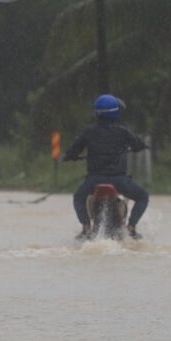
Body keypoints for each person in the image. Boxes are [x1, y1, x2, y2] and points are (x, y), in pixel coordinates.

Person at [66, 94, 149, 239]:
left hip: (94, 181)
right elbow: (137, 144)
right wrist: (140, 146)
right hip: (120, 181)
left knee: (78, 198)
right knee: (143, 196)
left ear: (96, 112)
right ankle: (131, 228)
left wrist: (71, 157)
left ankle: (86, 228)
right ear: (116, 112)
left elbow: (73, 150)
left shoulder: (89, 131)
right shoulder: (122, 131)